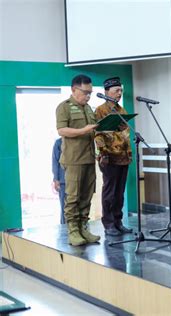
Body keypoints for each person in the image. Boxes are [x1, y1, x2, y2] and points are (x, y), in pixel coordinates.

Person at [56, 74, 100, 246]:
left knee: (87, 196)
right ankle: (73, 231)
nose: (88, 96)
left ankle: (83, 228)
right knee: (73, 197)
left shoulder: (89, 108)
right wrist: (83, 130)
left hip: (89, 158)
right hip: (73, 160)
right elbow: (61, 130)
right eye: (85, 92)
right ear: (74, 90)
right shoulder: (64, 107)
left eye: (90, 92)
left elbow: (93, 130)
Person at [94, 77, 133, 236]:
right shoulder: (100, 110)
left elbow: (125, 134)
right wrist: (102, 153)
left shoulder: (121, 110)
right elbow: (97, 134)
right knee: (109, 192)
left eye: (120, 91)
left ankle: (118, 222)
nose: (119, 93)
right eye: (116, 90)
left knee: (119, 193)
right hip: (108, 157)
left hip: (123, 157)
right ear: (106, 92)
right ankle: (109, 224)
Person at [52, 137, 66, 224]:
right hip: (63, 180)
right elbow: (55, 161)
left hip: (76, 180)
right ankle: (64, 230)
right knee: (64, 208)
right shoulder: (59, 142)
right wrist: (56, 179)